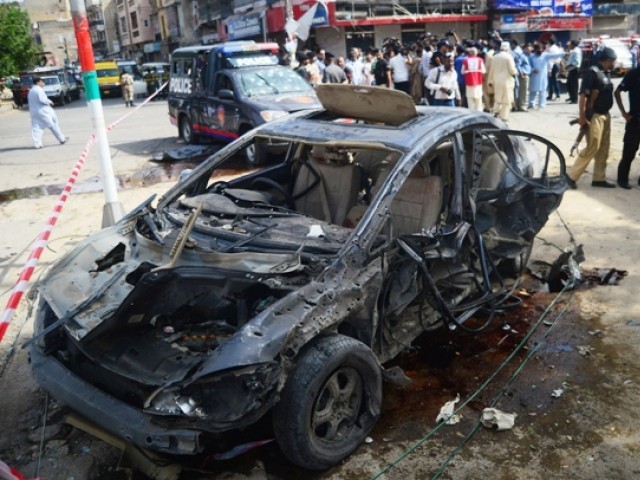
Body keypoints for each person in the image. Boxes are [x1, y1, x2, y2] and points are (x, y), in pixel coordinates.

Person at [566, 47, 617, 189]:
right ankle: (571, 177)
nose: (614, 64)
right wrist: (582, 117)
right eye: (613, 61)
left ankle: (599, 178)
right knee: (592, 146)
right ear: (607, 60)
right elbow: (583, 95)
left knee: (603, 148)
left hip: (605, 116)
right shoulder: (592, 72)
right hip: (594, 116)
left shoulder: (606, 73)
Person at [614, 64, 640, 189]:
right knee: (629, 153)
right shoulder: (633, 74)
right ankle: (622, 179)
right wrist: (624, 113)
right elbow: (617, 92)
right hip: (635, 120)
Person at [28, 77, 68, 149]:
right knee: (53, 125)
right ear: (38, 82)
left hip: (34, 112)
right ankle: (61, 139)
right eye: (42, 82)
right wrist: (50, 102)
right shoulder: (39, 90)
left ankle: (38, 144)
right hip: (43, 110)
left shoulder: (31, 90)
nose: (43, 83)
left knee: (36, 128)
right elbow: (42, 99)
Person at [528, 43, 565, 110]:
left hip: (543, 77)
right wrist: (533, 69)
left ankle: (541, 105)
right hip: (534, 76)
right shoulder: (531, 56)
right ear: (535, 50)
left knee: (542, 91)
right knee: (533, 91)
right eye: (538, 50)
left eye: (541, 49)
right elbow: (529, 65)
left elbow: (555, 55)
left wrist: (565, 53)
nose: (540, 51)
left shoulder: (545, 55)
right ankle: (531, 104)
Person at [489, 42, 517, 121]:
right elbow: (512, 70)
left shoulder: (495, 57)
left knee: (498, 97)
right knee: (506, 99)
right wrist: (516, 71)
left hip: (497, 80)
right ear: (508, 48)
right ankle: (504, 116)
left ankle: (495, 111)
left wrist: (490, 80)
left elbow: (492, 70)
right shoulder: (509, 57)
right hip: (507, 81)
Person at [461, 47, 485, 111]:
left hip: (469, 83)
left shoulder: (465, 60)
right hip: (478, 83)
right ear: (476, 53)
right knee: (479, 101)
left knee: (470, 101)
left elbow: (462, 72)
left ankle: (471, 114)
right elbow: (483, 71)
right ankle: (479, 114)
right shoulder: (480, 60)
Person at [566, 40, 582, 104]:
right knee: (569, 84)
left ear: (573, 44)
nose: (569, 45)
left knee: (574, 85)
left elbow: (576, 62)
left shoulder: (576, 51)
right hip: (571, 69)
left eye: (570, 44)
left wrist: (569, 65)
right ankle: (571, 97)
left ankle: (574, 99)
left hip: (574, 69)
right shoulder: (574, 50)